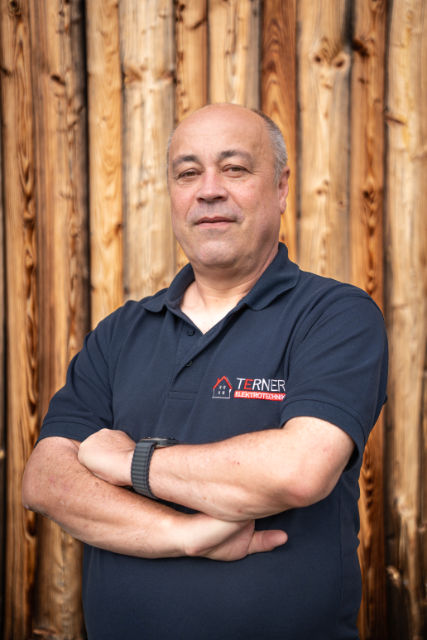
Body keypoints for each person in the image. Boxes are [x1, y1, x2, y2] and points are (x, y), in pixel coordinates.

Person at [22, 103, 388, 640]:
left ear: (281, 187)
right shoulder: (122, 331)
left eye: (234, 169)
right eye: (188, 173)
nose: (209, 190)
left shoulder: (334, 315)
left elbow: (299, 469)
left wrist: (127, 461)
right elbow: (46, 481)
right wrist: (185, 535)